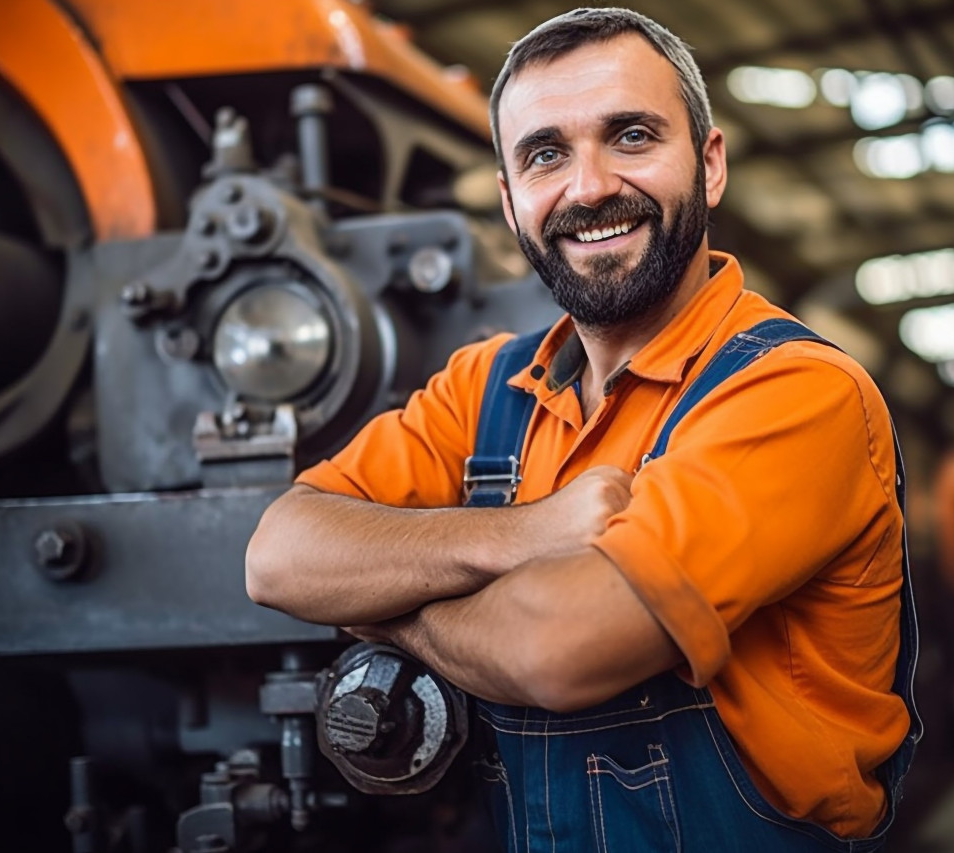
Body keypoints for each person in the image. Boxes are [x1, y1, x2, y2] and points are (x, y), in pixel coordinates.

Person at [247, 7, 919, 850]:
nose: (590, 186)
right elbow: (278, 554)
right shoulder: (487, 386)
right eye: (545, 154)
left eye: (631, 136)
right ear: (508, 197)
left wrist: (382, 604)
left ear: (709, 166)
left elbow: (554, 648)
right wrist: (524, 535)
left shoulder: (796, 392)